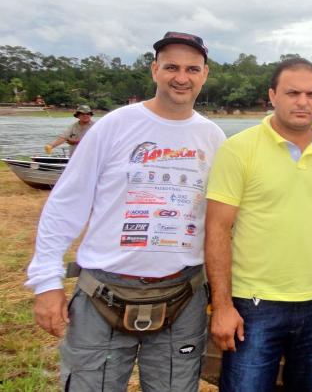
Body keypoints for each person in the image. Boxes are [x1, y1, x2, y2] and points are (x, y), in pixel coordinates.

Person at [26, 31, 226, 391]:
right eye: (171, 67)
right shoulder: (113, 127)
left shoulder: (213, 138)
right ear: (154, 70)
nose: (181, 77)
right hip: (103, 290)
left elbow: (224, 221)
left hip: (183, 293)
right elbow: (66, 204)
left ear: (205, 74)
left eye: (192, 69)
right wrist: (46, 282)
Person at [206, 57, 312, 392]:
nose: (303, 102)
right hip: (253, 303)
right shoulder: (238, 150)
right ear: (272, 95)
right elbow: (217, 229)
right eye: (293, 93)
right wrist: (222, 305)